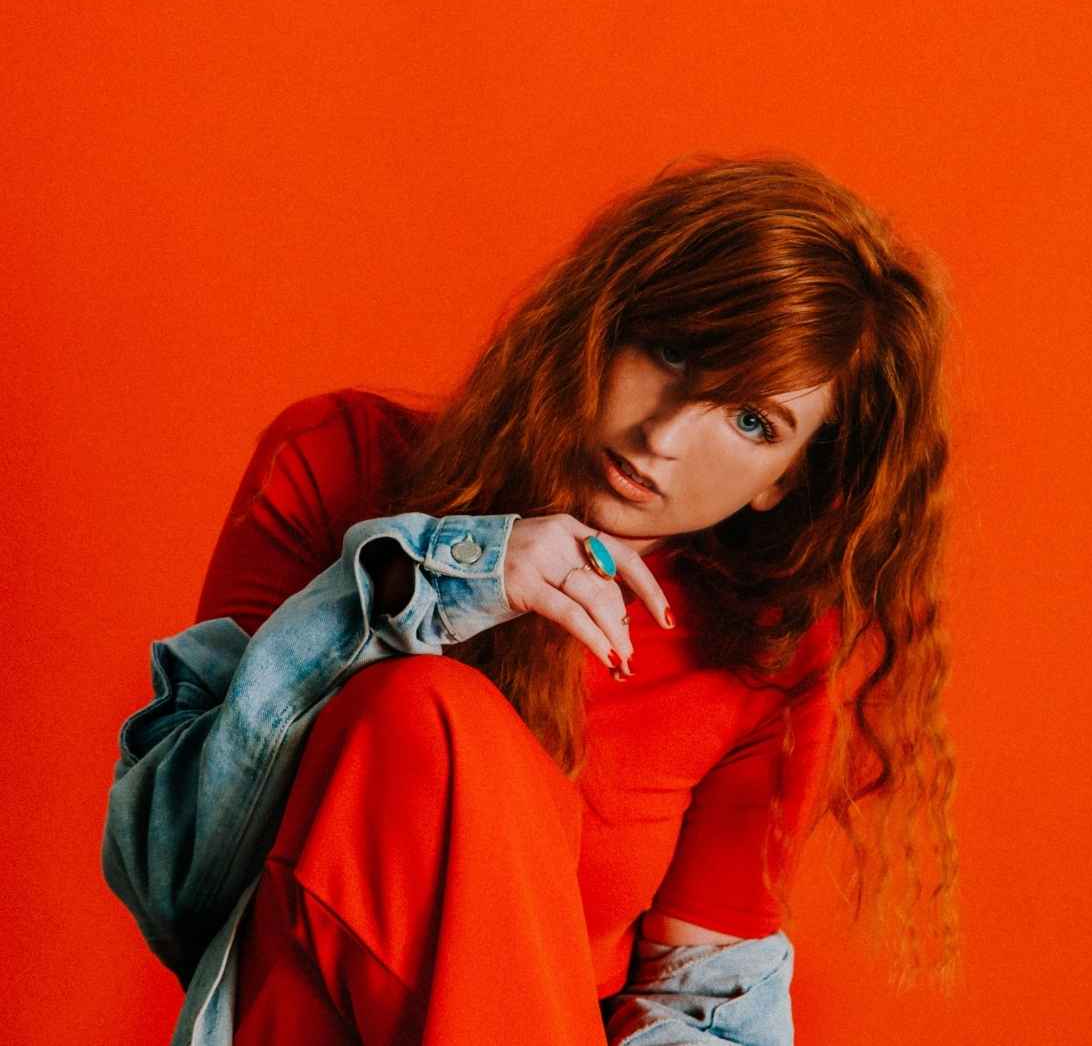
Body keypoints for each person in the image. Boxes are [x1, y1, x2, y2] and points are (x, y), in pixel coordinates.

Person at [105, 155, 959, 1044]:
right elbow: (180, 882)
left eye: (751, 422)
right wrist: (441, 576)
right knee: (422, 714)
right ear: (604, 323)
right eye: (670, 352)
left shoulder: (767, 647)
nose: (664, 436)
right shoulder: (336, 463)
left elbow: (700, 1006)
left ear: (783, 482)